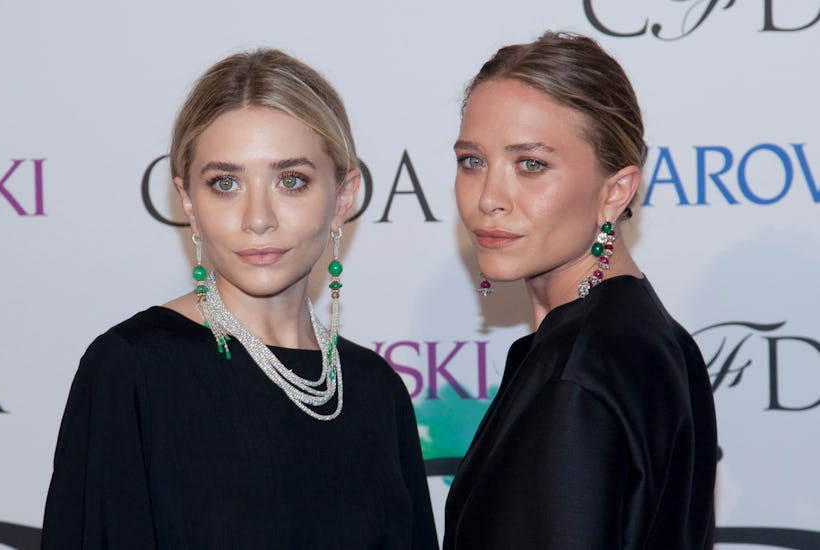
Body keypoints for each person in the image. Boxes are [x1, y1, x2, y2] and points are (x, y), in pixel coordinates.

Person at [42, 49, 437, 549]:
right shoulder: (134, 368)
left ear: (343, 196)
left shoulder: (373, 389)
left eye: (291, 181)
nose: (257, 217)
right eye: (225, 183)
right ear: (188, 201)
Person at [444, 32, 717, 549]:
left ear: (615, 191)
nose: (489, 198)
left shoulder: (575, 374)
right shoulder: (650, 335)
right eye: (472, 161)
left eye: (531, 165)